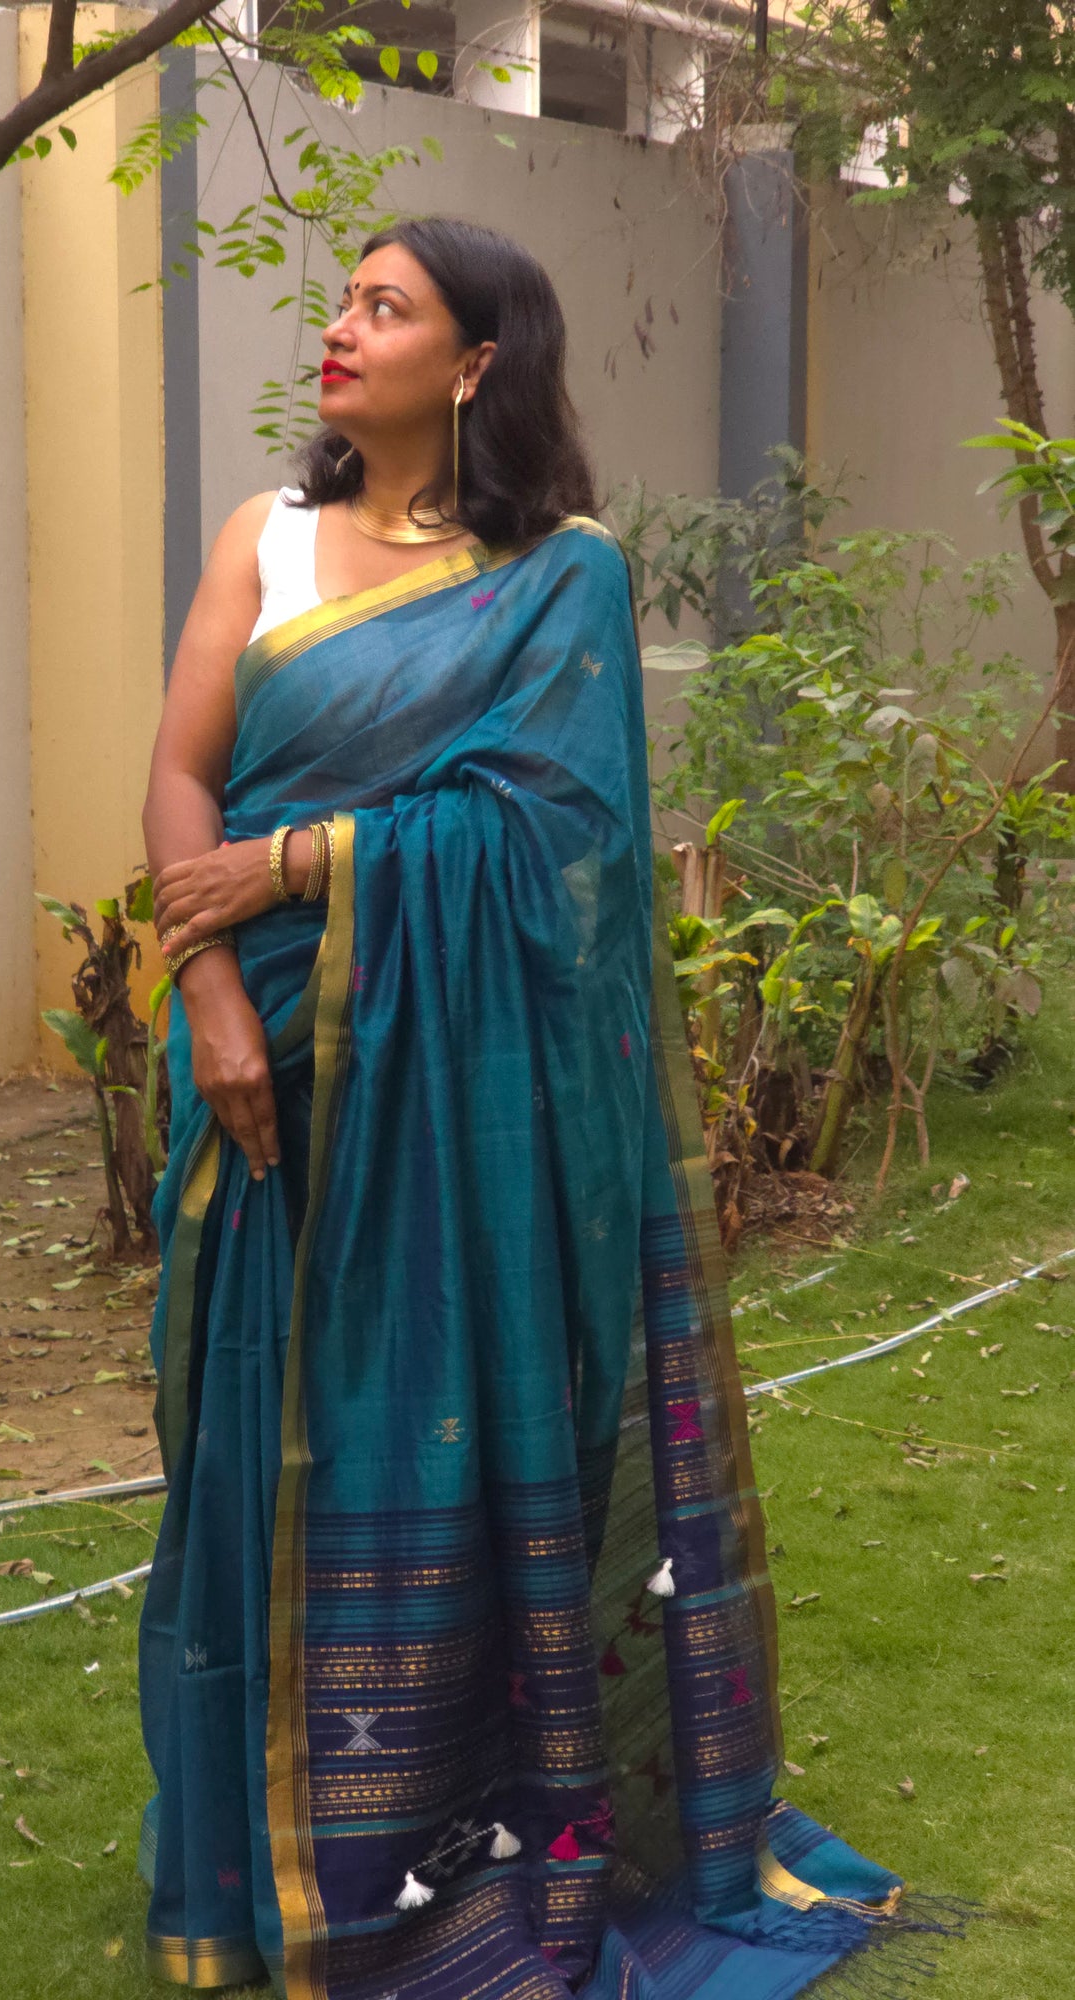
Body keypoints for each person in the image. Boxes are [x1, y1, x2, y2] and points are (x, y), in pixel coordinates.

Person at [135, 216, 949, 1999]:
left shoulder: (559, 576)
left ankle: (455, 1854)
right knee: (256, 1441)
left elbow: (561, 843)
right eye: (346, 300)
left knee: (441, 1426)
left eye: (387, 306)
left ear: (477, 361)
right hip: (266, 1073)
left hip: (459, 1108)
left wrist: (306, 859)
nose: (343, 327)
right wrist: (212, 1000)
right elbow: (182, 783)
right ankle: (263, 1873)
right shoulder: (263, 539)